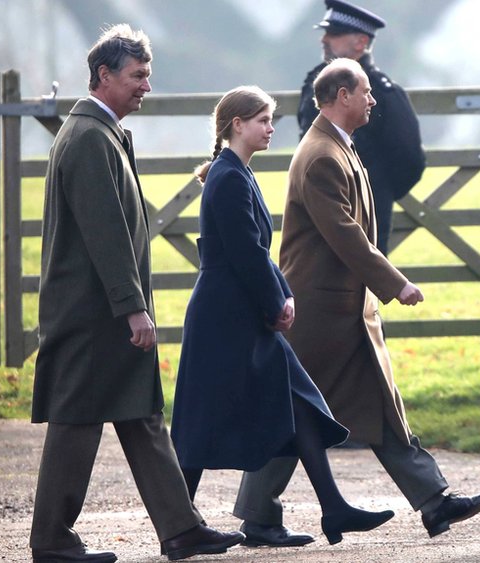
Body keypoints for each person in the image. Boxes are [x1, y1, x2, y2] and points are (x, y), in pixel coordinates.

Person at [231, 58, 480, 547]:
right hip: (317, 312)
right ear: (341, 96)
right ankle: (257, 514)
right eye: (366, 91)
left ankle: (434, 502)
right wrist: (396, 283)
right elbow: (346, 237)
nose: (373, 100)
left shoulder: (337, 147)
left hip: (344, 312)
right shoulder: (322, 156)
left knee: (380, 406)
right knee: (291, 414)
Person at [29, 24, 244, 563]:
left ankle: (181, 529)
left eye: (148, 75)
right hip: (92, 313)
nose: (146, 86)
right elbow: (105, 235)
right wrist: (133, 309)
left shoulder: (104, 133)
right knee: (76, 418)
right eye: (137, 76)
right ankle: (51, 541)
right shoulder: (87, 140)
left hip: (103, 310)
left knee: (141, 413)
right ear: (104, 76)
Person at [168, 86, 394, 544]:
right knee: (199, 420)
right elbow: (245, 253)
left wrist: (283, 293)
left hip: (240, 310)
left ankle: (333, 509)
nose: (271, 129)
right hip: (224, 316)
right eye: (263, 121)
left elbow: (257, 250)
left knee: (300, 402)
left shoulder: (235, 172)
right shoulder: (228, 176)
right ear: (237, 124)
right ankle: (179, 527)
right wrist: (276, 302)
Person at [297, 0, 426, 254]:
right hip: (315, 205)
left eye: (334, 34)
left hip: (367, 211)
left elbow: (409, 158)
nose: (324, 39)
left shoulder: (384, 92)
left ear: (360, 43)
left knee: (363, 285)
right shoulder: (315, 81)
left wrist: (377, 192)